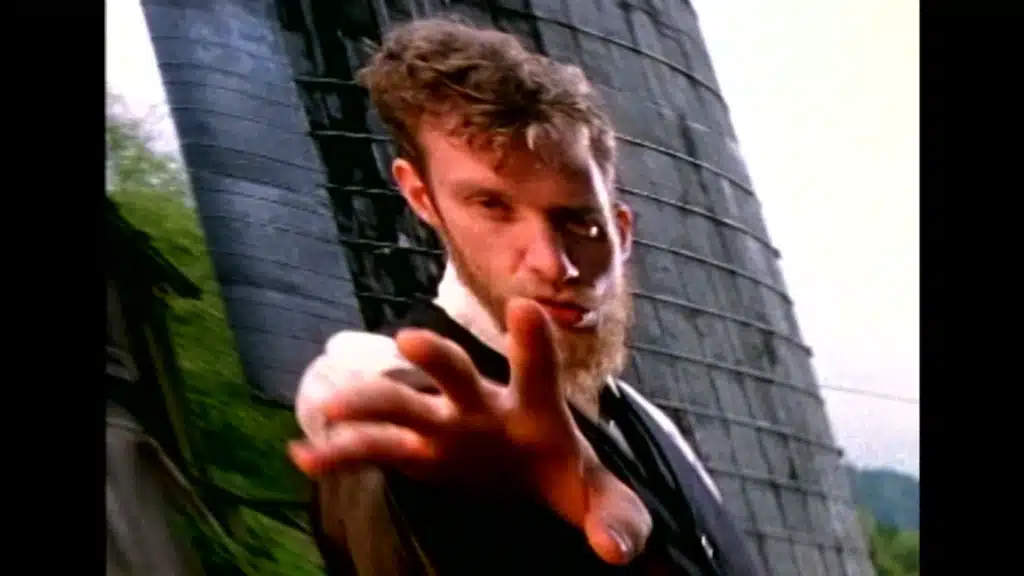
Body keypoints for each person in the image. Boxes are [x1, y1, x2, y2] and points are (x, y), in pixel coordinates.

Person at [288, 17, 765, 576]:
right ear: (421, 197)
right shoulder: (409, 411)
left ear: (621, 232)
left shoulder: (649, 424)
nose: (554, 264)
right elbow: (352, 388)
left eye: (580, 221)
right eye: (493, 207)